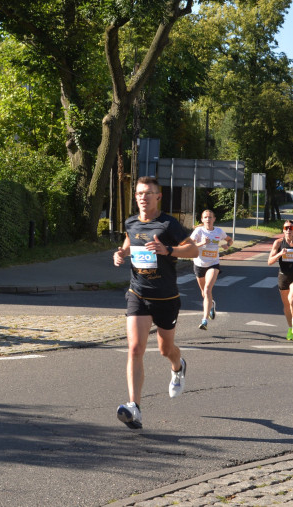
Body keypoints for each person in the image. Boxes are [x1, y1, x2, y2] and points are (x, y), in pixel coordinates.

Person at [113, 176, 200, 430]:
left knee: (165, 350)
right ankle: (134, 408)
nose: (143, 197)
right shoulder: (130, 222)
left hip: (166, 297)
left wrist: (169, 251)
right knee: (135, 348)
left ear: (158, 196)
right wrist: (121, 253)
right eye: (140, 193)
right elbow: (129, 244)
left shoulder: (168, 224)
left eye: (148, 193)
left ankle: (178, 366)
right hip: (138, 293)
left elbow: (193, 250)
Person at [189, 209, 232, 330]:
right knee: (204, 293)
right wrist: (201, 243)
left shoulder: (219, 231)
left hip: (213, 264)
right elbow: (189, 245)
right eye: (205, 217)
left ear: (214, 219)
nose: (208, 219)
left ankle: (204, 320)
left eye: (210, 217)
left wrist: (227, 245)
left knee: (208, 289)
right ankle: (212, 304)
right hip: (199, 264)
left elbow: (229, 239)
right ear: (202, 220)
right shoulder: (198, 231)